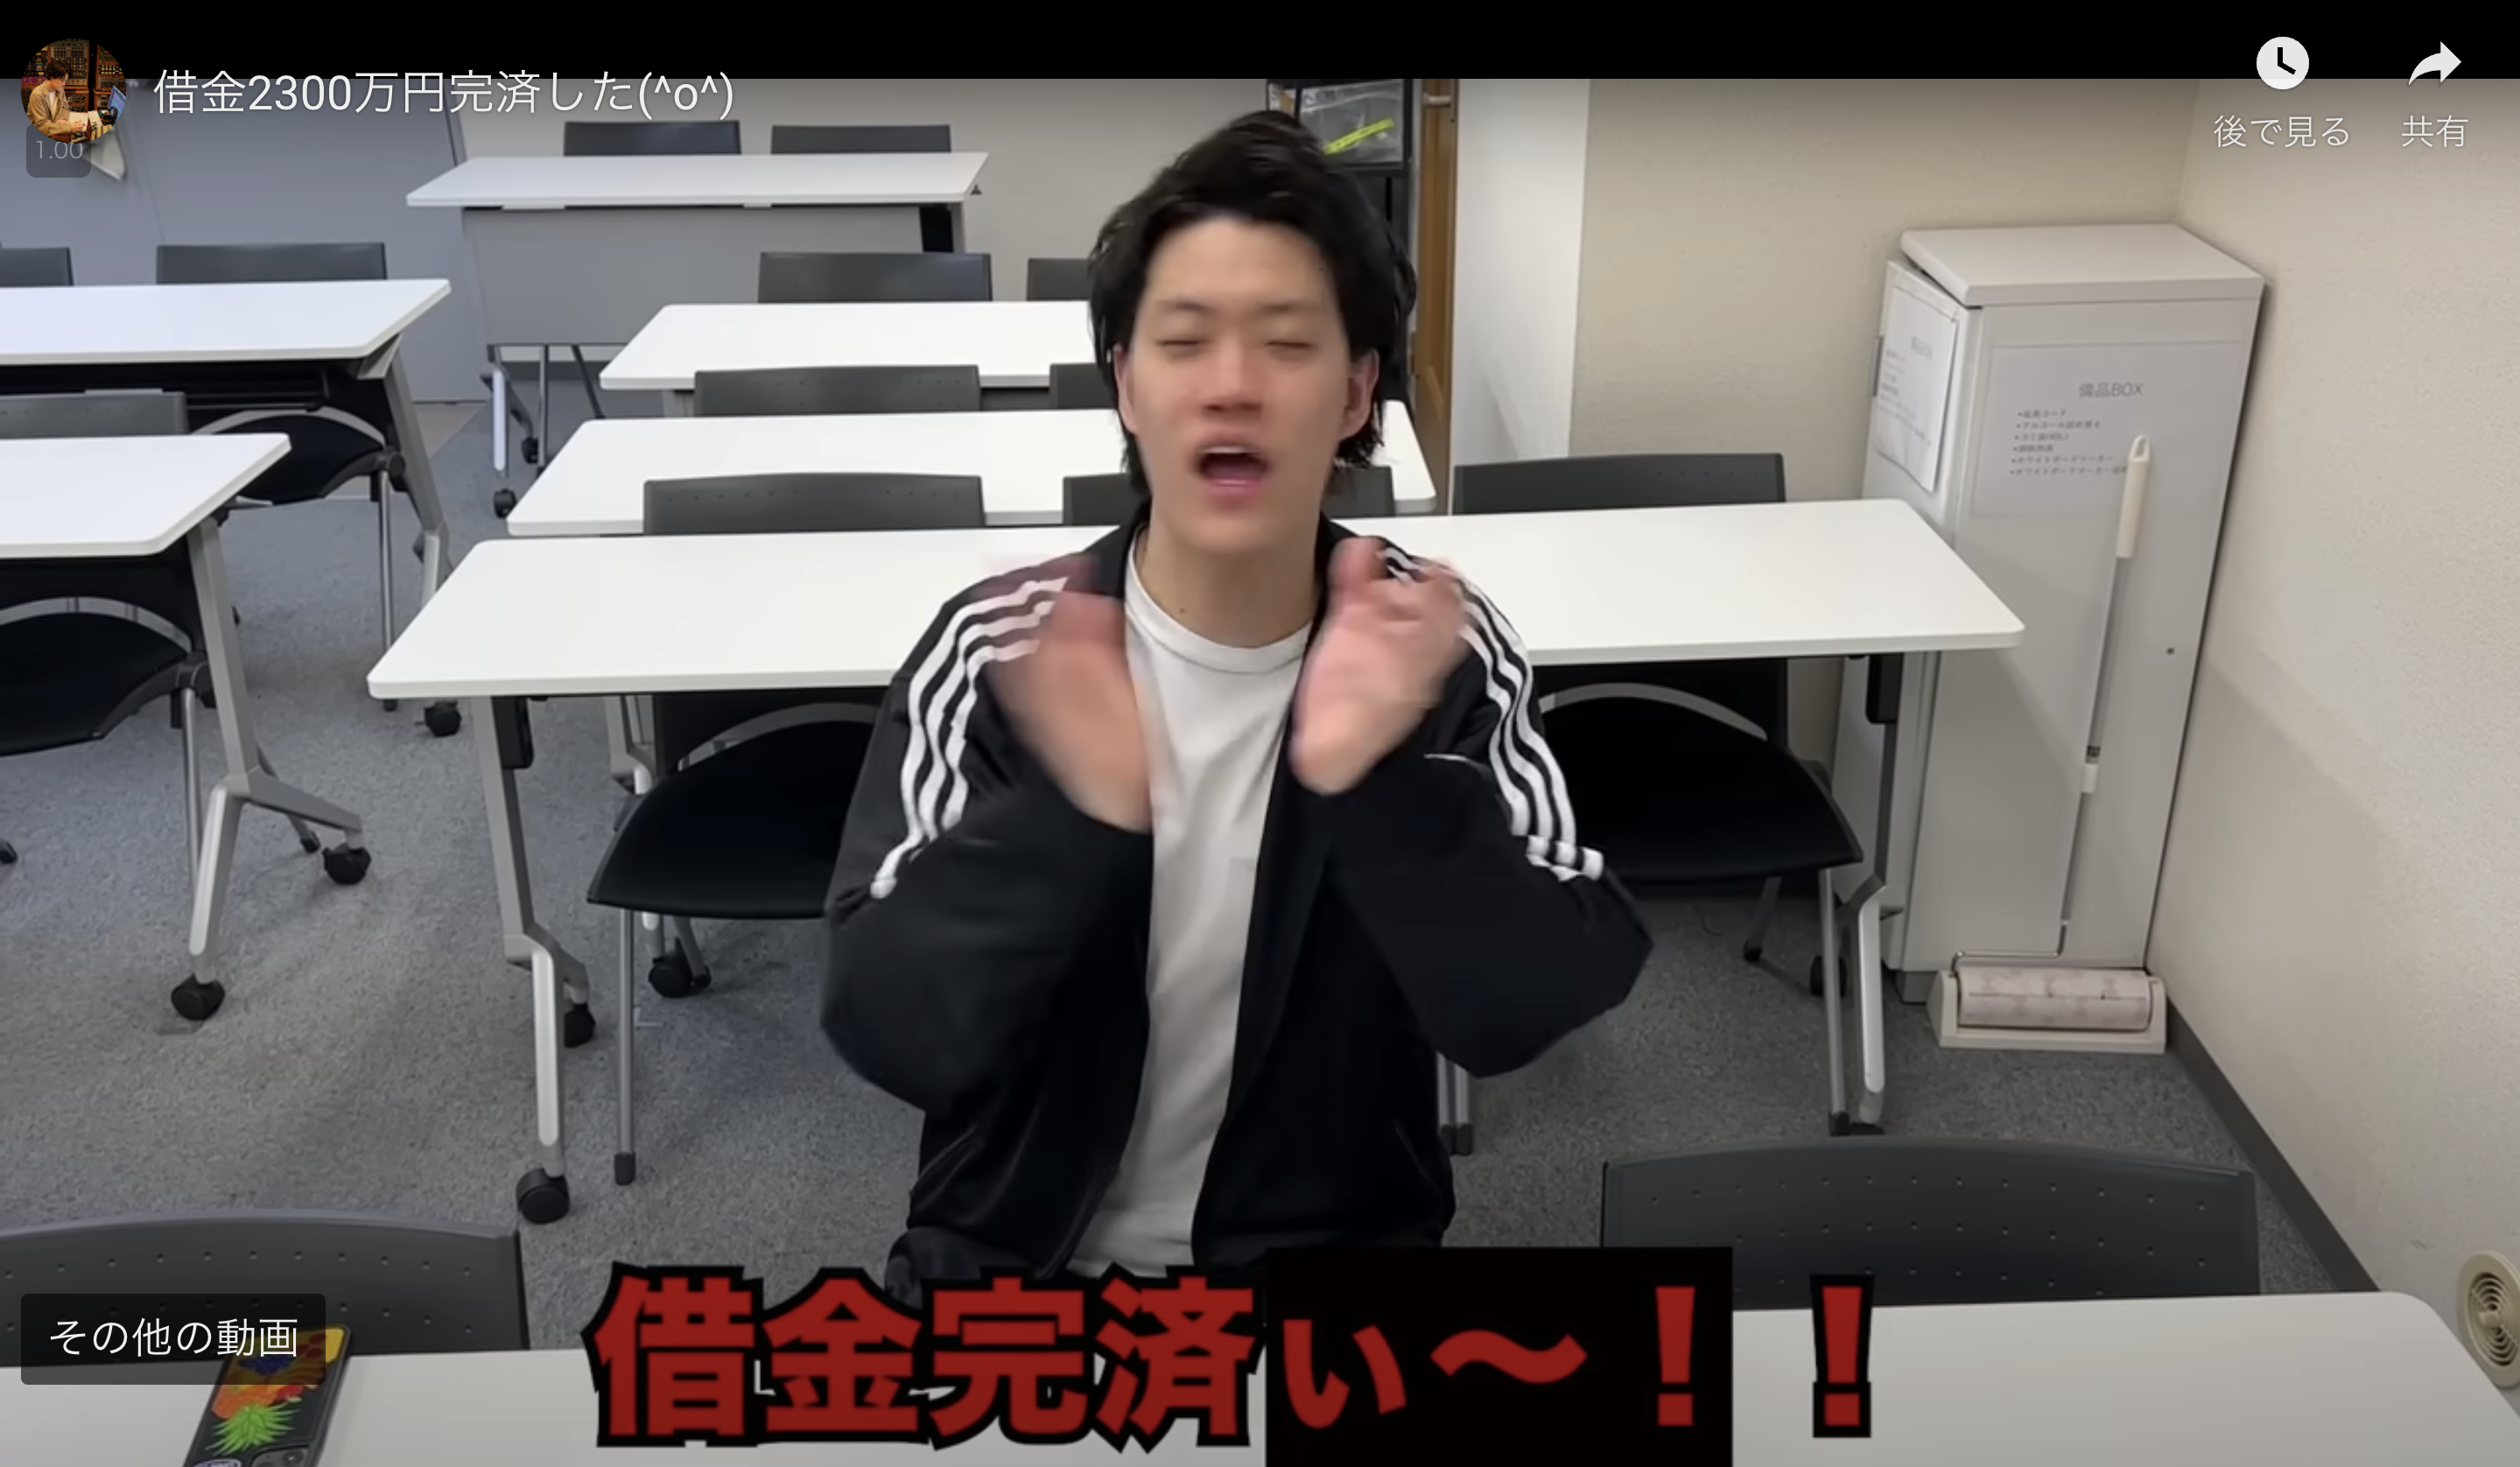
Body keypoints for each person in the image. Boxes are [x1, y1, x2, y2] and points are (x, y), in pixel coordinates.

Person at [819, 110, 1653, 1309]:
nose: (1230, 387)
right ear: (1125, 383)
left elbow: (1534, 997)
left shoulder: (1430, 647)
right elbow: (885, 1022)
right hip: (1014, 1267)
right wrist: (1067, 821)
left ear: (1357, 391)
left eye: (1286, 342)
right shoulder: (1006, 649)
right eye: (1183, 341)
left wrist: (1382, 790)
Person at [26, 62, 104, 144]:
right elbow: (42, 126)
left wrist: (62, 119)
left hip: (53, 127)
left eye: (65, 81)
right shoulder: (37, 95)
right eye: (61, 81)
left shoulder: (59, 89)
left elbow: (65, 107)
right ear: (51, 77)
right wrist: (70, 128)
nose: (64, 84)